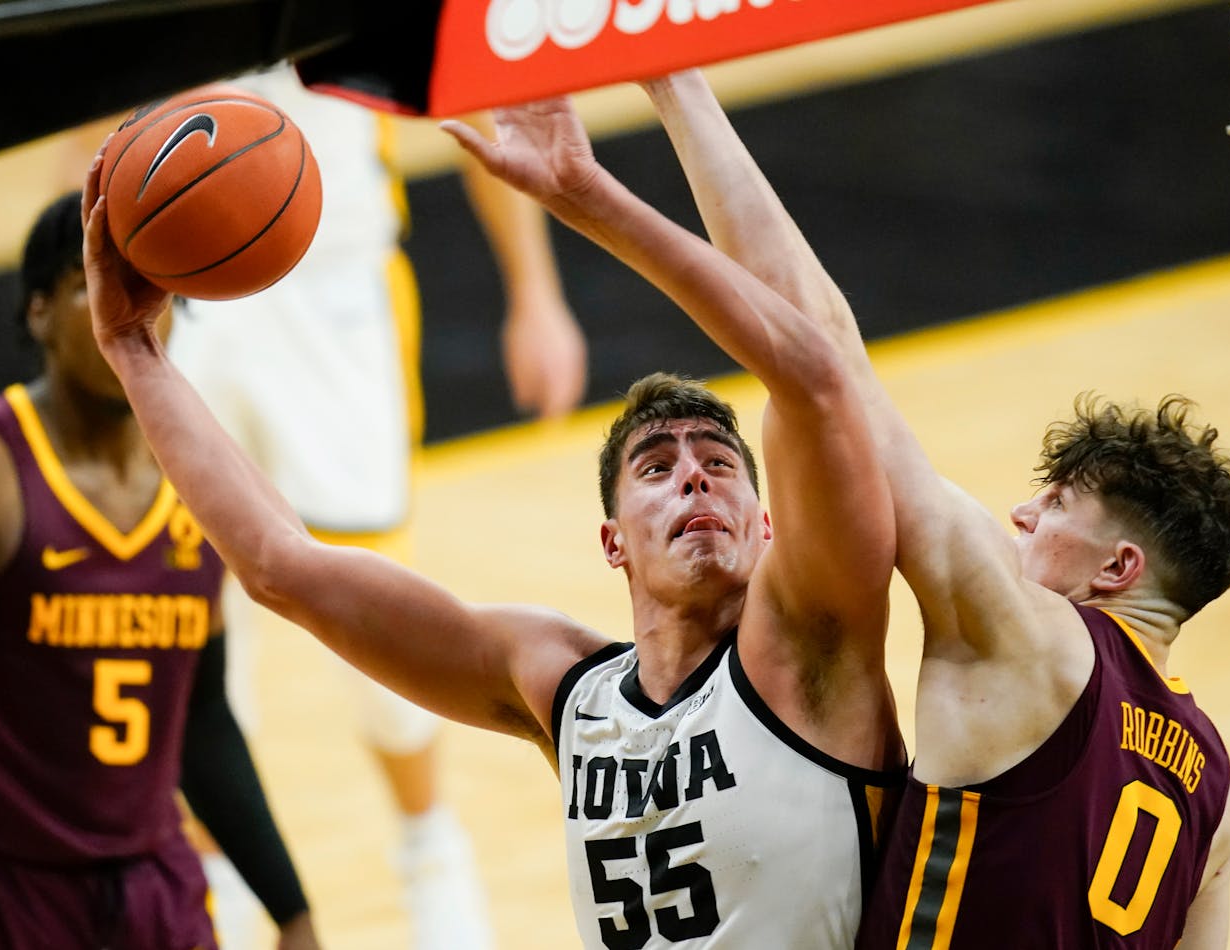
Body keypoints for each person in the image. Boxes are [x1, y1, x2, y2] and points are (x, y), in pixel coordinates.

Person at [81, 77, 909, 948]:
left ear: (770, 525)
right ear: (612, 543)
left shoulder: (813, 647)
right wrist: (133, 351)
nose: (695, 479)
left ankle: (430, 857)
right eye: (657, 467)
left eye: (719, 462)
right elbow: (281, 568)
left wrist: (591, 199)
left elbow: (814, 379)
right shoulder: (566, 690)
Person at [632, 69, 1230, 946]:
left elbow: (826, 354)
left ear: (1120, 568)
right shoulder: (1216, 790)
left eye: (1056, 504)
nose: (1020, 514)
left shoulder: (1030, 641)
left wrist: (676, 87)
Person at [155, 65, 590, 950]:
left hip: (332, 281)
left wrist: (535, 294)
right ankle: (219, 875)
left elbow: (472, 90)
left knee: (372, 613)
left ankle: (431, 850)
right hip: (183, 284)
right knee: (195, 622)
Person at [0, 192, 321, 950]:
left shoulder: (201, 487)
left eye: (150, 290)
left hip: (154, 880)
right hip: (3, 889)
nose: (126, 311)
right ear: (38, 312)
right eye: (91, 286)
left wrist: (292, 910)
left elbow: (203, 720)